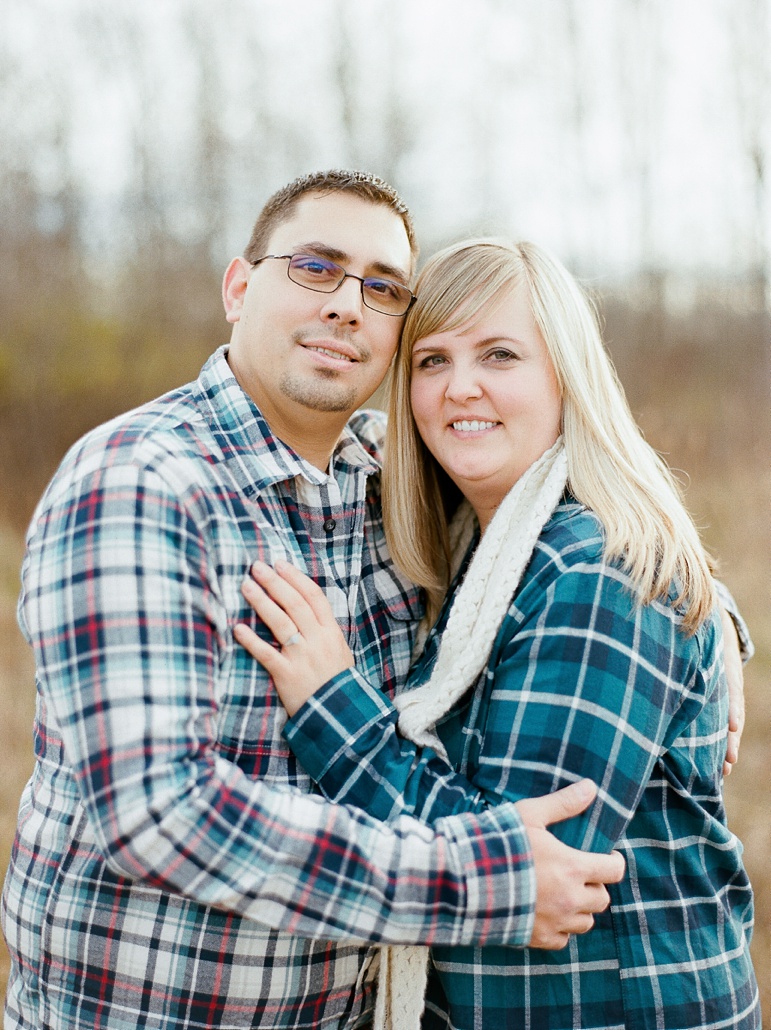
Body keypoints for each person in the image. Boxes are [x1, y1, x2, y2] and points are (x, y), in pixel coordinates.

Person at [1, 173, 628, 1030]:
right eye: (315, 268)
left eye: (381, 288)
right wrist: (479, 882)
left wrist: (704, 621)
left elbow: (566, 498)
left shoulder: (392, 477)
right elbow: (159, 815)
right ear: (237, 287)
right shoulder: (143, 481)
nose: (346, 305)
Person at [235, 237, 760, 1029]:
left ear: (565, 375)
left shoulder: (600, 575)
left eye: (499, 355)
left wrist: (330, 706)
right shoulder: (474, 548)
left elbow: (530, 859)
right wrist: (715, 613)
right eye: (432, 360)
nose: (460, 389)